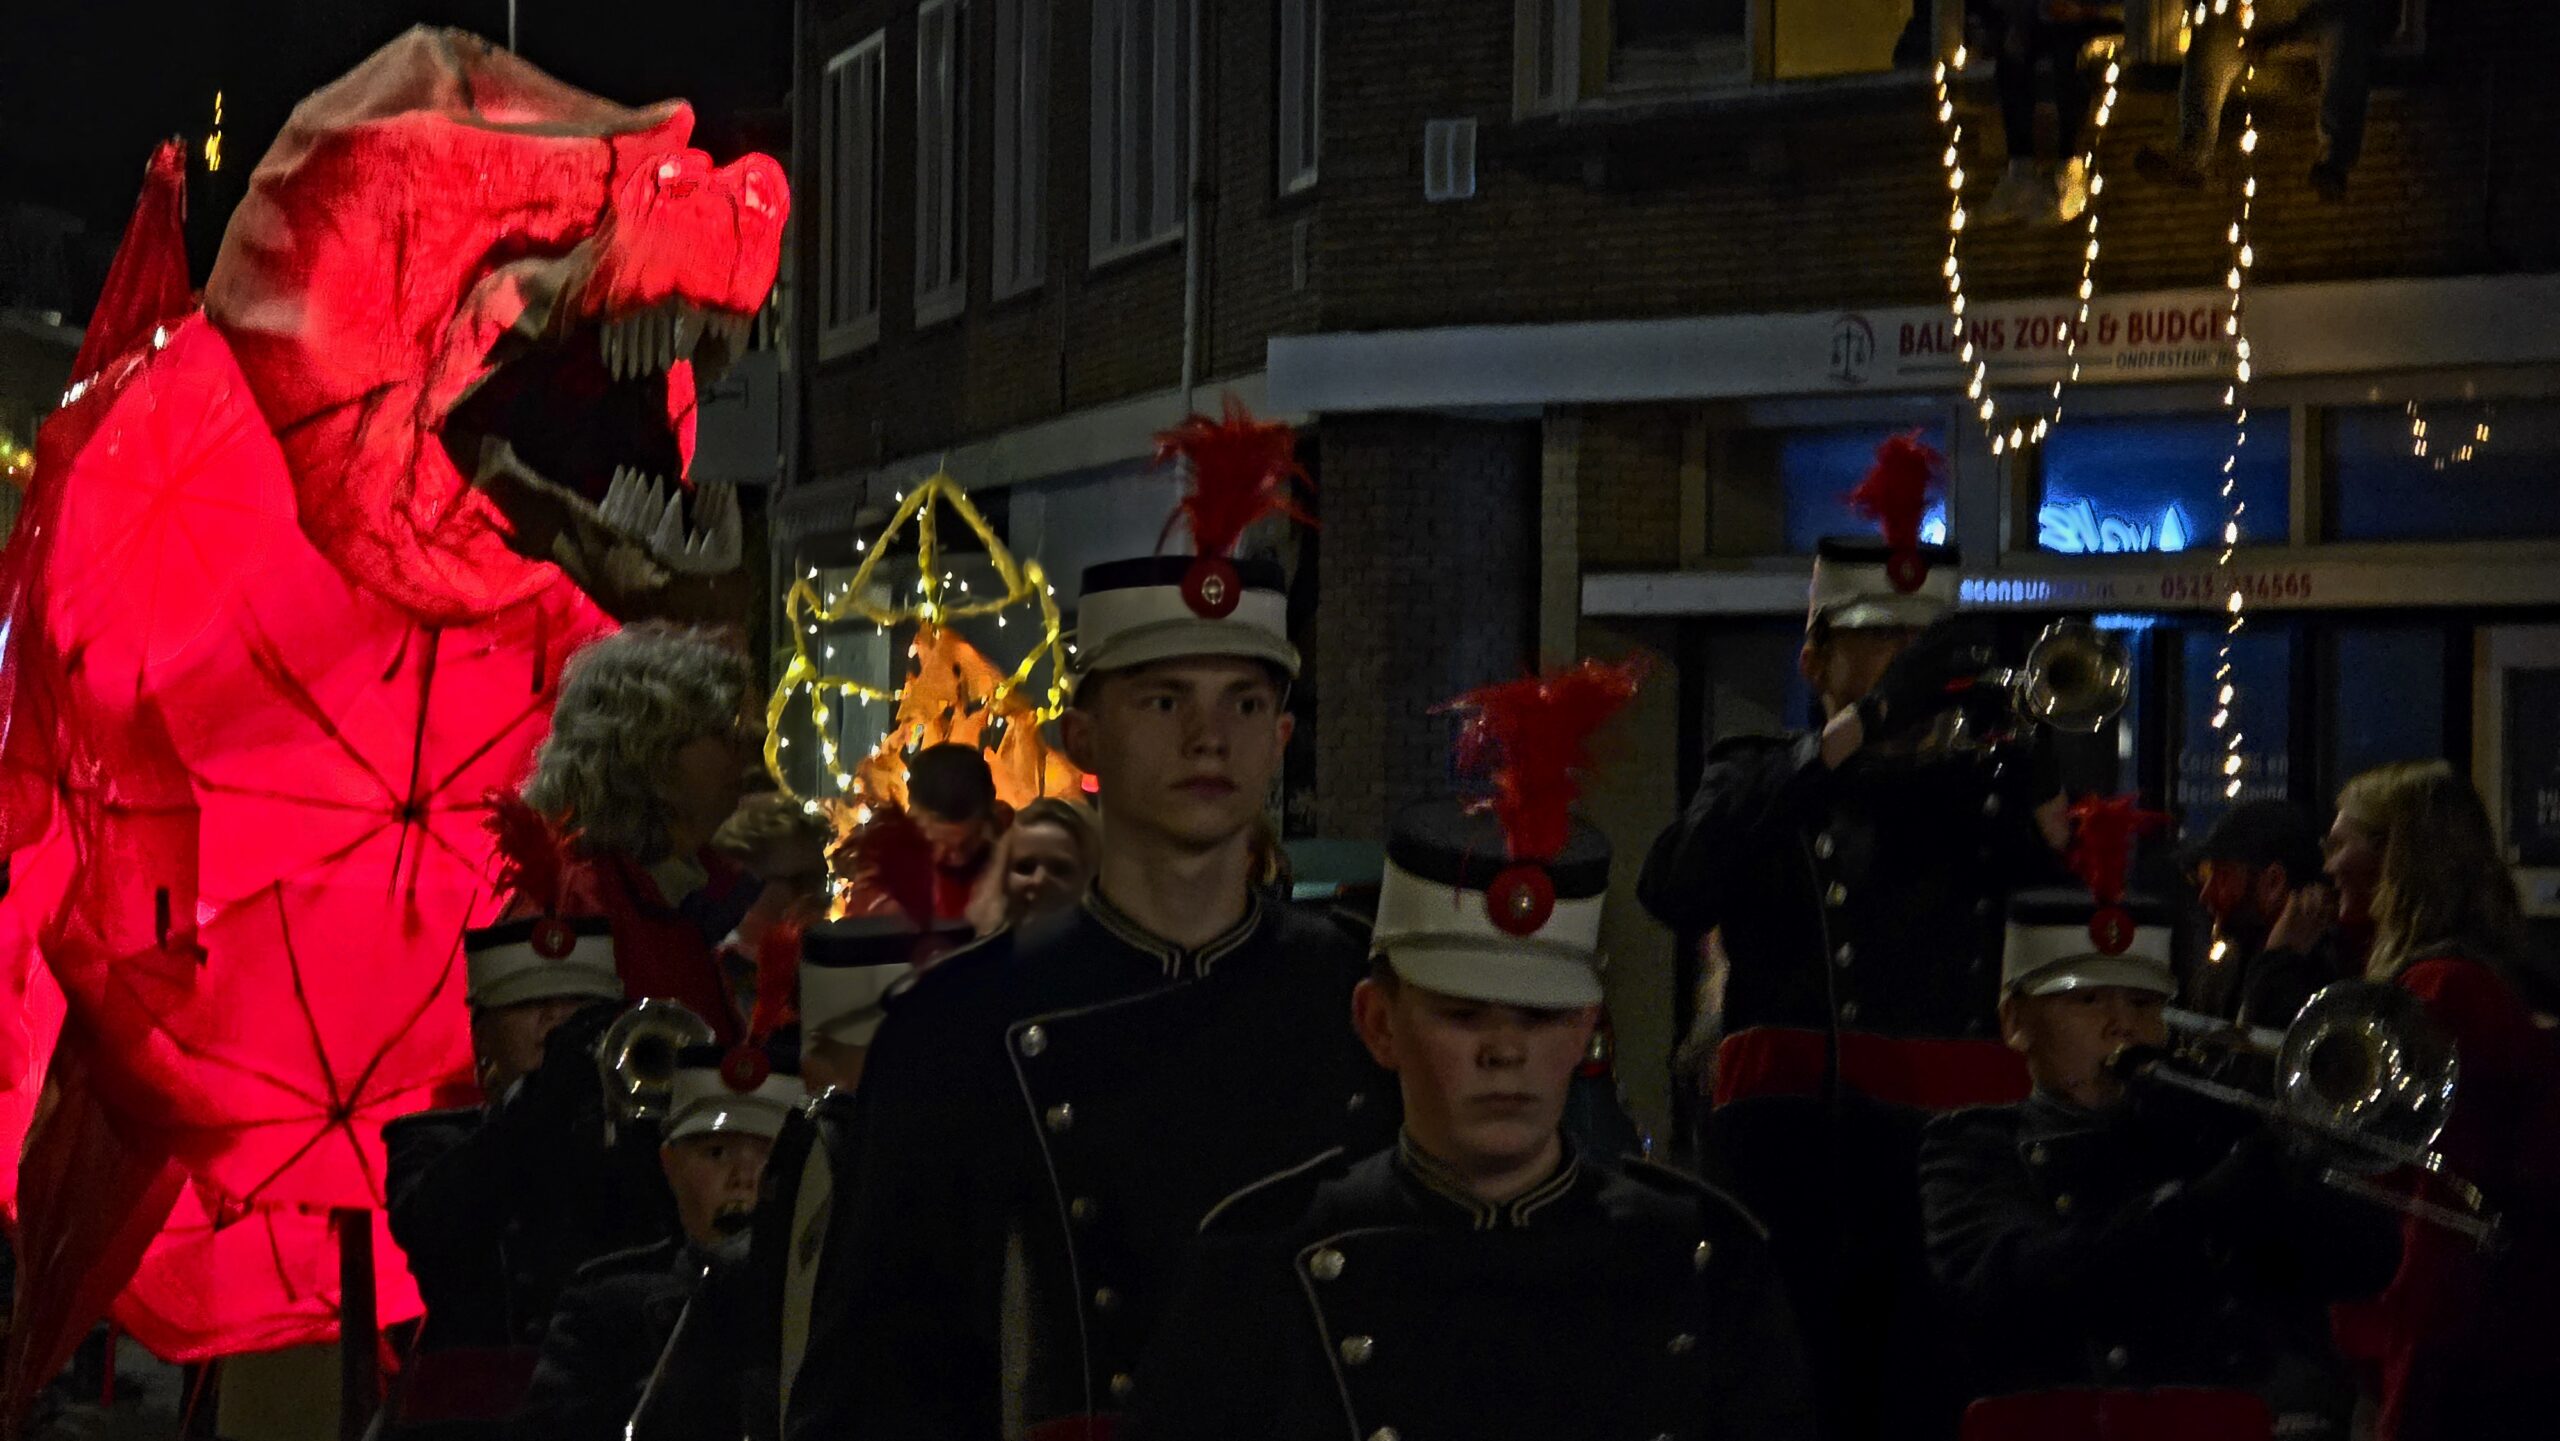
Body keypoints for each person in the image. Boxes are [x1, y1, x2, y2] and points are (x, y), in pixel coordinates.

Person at [786, 406, 1394, 1441]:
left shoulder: (1361, 1004)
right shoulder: (957, 1027)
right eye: (1164, 700)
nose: (1209, 736)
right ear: (1083, 734)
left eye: (1245, 704)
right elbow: (874, 1381)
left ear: (1283, 737)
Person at [1124, 663, 1814, 1441]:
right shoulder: (1262, 1259)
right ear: (1378, 1023)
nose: (1505, 1049)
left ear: (1586, 1026)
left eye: (1541, 1015)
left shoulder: (1702, 1258)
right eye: (1461, 1014)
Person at [1638, 437, 2069, 1440]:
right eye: (1880, 640)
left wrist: (2039, 793)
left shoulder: (1981, 791)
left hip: (1953, 1172)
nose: (1909, 663)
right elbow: (1676, 883)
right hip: (1804, 1165)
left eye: (1925, 643)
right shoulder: (1760, 772)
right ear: (1815, 658)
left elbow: (2064, 940)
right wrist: (1866, 723)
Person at [1921, 888, 2397, 1437]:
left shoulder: (2197, 1126)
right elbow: (2009, 1289)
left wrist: (2277, 1158)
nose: (2121, 1024)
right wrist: (2197, 1208)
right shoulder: (1974, 1145)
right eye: (2087, 1000)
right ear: (2015, 1021)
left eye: (2144, 1004)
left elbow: (2367, 1262)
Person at [2318, 760, 2560, 1441]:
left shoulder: (2443, 992)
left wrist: (2405, 1399)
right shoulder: (2471, 978)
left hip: (2454, 1371)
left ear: (2398, 857)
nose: (2329, 865)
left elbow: (2438, 1212)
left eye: (2341, 844)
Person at [381, 888, 666, 1436]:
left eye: (579, 1007)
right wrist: (544, 1096)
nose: (555, 1021)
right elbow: (435, 1223)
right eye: (530, 1006)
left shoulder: (641, 1135)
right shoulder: (433, 1140)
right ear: (481, 1035)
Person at [513, 1045, 802, 1441]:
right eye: (716, 1153)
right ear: (670, 1163)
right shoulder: (607, 1304)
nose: (744, 1177)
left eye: (769, 1156)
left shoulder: (832, 1295)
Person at [524, 624, 793, 1041]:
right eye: (723, 733)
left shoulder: (685, 889)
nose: (745, 752)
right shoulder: (585, 904)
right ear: (650, 750)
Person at [2132, 0, 2380, 201]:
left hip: (2311, 16)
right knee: (2209, 40)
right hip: (2252, 18)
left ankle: (2333, 161)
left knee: (2344, 26)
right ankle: (2191, 155)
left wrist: (2280, 36)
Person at [2180, 797, 2348, 1028]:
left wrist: (2278, 962)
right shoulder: (2230, 964)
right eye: (2205, 878)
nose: (2205, 895)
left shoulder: (2326, 975)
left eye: (2223, 877)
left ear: (2273, 882)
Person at [1975, 1, 2124, 226]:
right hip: (2051, 17)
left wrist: (2087, 10)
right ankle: (2021, 168)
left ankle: (2070, 165)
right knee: (2013, 57)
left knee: (2069, 58)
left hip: (2101, 17)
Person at [963, 795, 1100, 937]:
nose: (1039, 880)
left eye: (1059, 869)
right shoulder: (982, 949)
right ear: (1001, 876)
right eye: (1025, 868)